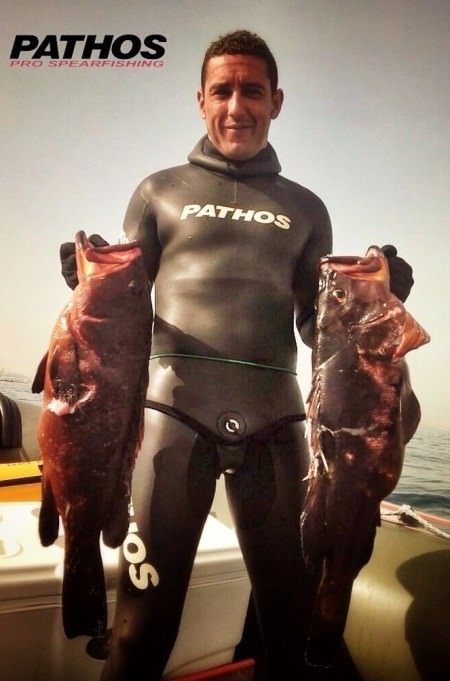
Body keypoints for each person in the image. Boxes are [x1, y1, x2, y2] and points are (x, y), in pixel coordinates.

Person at [60, 30, 413, 681]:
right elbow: (125, 311)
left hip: (278, 427)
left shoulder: (307, 209)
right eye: (221, 90)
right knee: (139, 632)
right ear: (200, 99)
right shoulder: (158, 191)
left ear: (276, 100)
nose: (235, 106)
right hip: (170, 419)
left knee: (291, 627)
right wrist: (88, 288)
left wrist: (373, 310)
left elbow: (315, 328)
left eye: (252, 90)